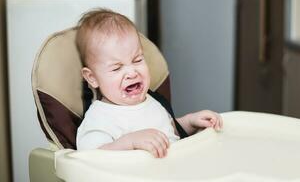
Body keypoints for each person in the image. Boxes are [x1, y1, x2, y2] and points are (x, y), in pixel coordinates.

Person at [76, 9, 223, 158]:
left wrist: (190, 122)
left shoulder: (152, 100)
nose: (132, 73)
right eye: (117, 68)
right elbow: (90, 158)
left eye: (137, 60)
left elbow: (168, 132)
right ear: (92, 78)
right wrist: (130, 142)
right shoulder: (100, 118)